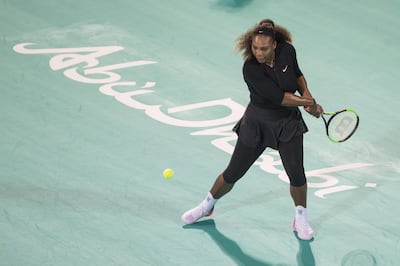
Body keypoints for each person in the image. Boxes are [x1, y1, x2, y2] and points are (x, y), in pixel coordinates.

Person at [181, 19, 323, 241]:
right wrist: (309, 104)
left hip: (287, 124)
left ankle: (301, 219)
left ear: (275, 45)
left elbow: (297, 75)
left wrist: (307, 97)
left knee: (296, 173)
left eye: (263, 48)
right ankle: (207, 205)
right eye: (255, 47)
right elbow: (281, 98)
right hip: (257, 121)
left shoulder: (287, 51)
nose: (258, 52)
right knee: (233, 172)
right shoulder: (250, 68)